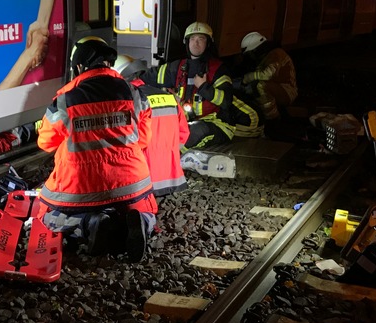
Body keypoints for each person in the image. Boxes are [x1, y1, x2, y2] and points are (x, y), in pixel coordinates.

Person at [36, 36, 158, 262]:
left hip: (81, 186)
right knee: (146, 209)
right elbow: (143, 140)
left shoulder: (65, 100)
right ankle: (142, 221)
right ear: (108, 64)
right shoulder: (135, 93)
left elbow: (45, 143)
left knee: (47, 217)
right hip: (131, 182)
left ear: (79, 67)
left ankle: (90, 224)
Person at [140, 22, 263, 158]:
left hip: (216, 123)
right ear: (186, 43)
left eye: (201, 39)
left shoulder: (218, 69)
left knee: (190, 136)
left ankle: (168, 162)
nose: (196, 43)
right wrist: (126, 80)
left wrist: (204, 87)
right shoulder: (177, 67)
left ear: (208, 43)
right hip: (186, 121)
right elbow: (149, 77)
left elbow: (226, 101)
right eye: (192, 39)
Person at [113, 54, 189, 196]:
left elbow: (126, 140)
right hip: (173, 180)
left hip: (143, 181)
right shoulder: (169, 98)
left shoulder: (129, 100)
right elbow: (183, 134)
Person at [238, 31, 298, 123]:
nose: (251, 57)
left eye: (251, 53)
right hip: (278, 88)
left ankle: (273, 119)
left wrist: (249, 77)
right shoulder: (266, 57)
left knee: (260, 85)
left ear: (256, 49)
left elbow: (268, 74)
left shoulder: (276, 54)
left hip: (287, 91)